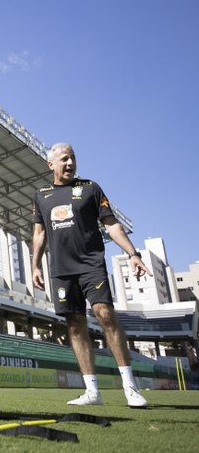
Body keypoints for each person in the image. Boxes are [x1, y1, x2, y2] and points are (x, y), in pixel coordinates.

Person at [31, 142, 150, 408]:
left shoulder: (90, 189)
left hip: (90, 264)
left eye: (73, 158)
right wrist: (35, 265)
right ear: (51, 164)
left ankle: (130, 387)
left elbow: (111, 224)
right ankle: (92, 391)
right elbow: (39, 234)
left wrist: (133, 253)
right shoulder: (42, 195)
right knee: (74, 325)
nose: (70, 162)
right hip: (61, 270)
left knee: (104, 313)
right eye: (64, 159)